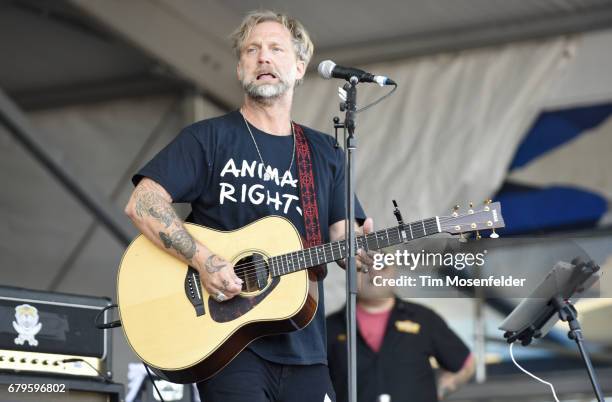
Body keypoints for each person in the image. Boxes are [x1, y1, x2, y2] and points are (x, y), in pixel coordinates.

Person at [124, 10, 374, 402]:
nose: (263, 58)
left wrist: (364, 249)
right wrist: (205, 261)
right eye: (252, 50)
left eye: (276, 49)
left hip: (305, 348)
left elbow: (343, 238)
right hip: (229, 344)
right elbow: (143, 202)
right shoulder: (209, 138)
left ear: (299, 67)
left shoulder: (325, 152)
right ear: (240, 67)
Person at [327, 267, 475, 402]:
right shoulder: (329, 327)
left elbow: (465, 363)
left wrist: (441, 390)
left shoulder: (423, 318)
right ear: (351, 275)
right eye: (364, 269)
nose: (373, 273)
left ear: (394, 273)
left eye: (381, 267)